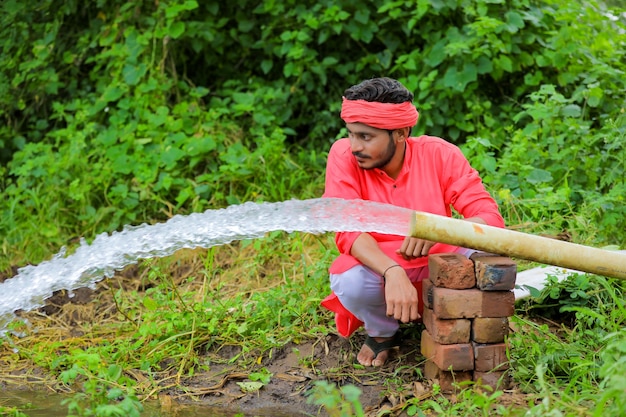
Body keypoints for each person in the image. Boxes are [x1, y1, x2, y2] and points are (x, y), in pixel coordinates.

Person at [321, 77, 505, 367]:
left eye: (366, 137)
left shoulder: (440, 154)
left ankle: (464, 320)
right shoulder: (343, 156)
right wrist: (393, 271)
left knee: (491, 253)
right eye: (352, 134)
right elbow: (348, 230)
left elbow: (490, 218)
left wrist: (440, 231)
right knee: (349, 279)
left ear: (401, 133)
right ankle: (382, 331)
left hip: (441, 262)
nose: (355, 146)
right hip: (381, 270)